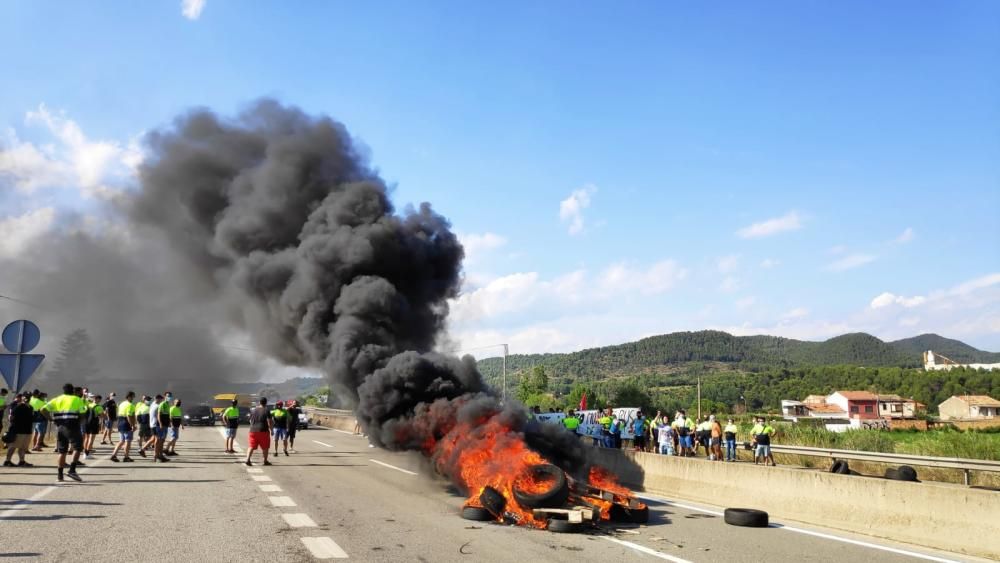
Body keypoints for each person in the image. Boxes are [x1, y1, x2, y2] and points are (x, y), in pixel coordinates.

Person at [40, 383, 87, 482]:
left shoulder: (57, 399)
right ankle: (72, 470)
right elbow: (83, 413)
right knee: (78, 448)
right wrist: (80, 420)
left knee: (62, 451)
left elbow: (43, 409)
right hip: (72, 426)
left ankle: (60, 475)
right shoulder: (77, 399)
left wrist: (50, 419)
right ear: (73, 391)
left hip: (60, 427)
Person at [3, 393, 34, 467]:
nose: (28, 399)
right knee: (13, 446)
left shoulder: (30, 407)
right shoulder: (17, 406)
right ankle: (7, 461)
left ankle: (22, 461)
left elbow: (32, 417)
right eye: (26, 397)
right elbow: (11, 416)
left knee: (23, 447)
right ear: (22, 398)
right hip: (18, 430)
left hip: (27, 430)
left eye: (29, 397)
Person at [245, 397, 273, 466]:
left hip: (253, 431)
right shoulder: (266, 410)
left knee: (251, 446)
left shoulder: (253, 410)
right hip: (263, 431)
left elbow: (250, 420)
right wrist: (271, 430)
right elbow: (269, 421)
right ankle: (265, 461)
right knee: (265, 447)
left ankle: (248, 459)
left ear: (259, 402)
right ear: (266, 403)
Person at [110, 392, 137, 463]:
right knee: (128, 441)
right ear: (129, 397)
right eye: (132, 397)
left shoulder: (122, 404)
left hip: (120, 422)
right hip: (126, 423)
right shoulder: (131, 405)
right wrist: (132, 425)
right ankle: (126, 457)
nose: (133, 398)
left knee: (121, 441)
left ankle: (114, 455)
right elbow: (129, 416)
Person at [83, 394, 106, 458]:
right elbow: (102, 416)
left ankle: (85, 452)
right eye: (100, 399)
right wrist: (104, 414)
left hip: (86, 423)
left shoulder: (88, 405)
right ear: (98, 399)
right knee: (91, 439)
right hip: (94, 423)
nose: (100, 401)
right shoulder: (99, 407)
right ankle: (87, 453)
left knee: (86, 438)